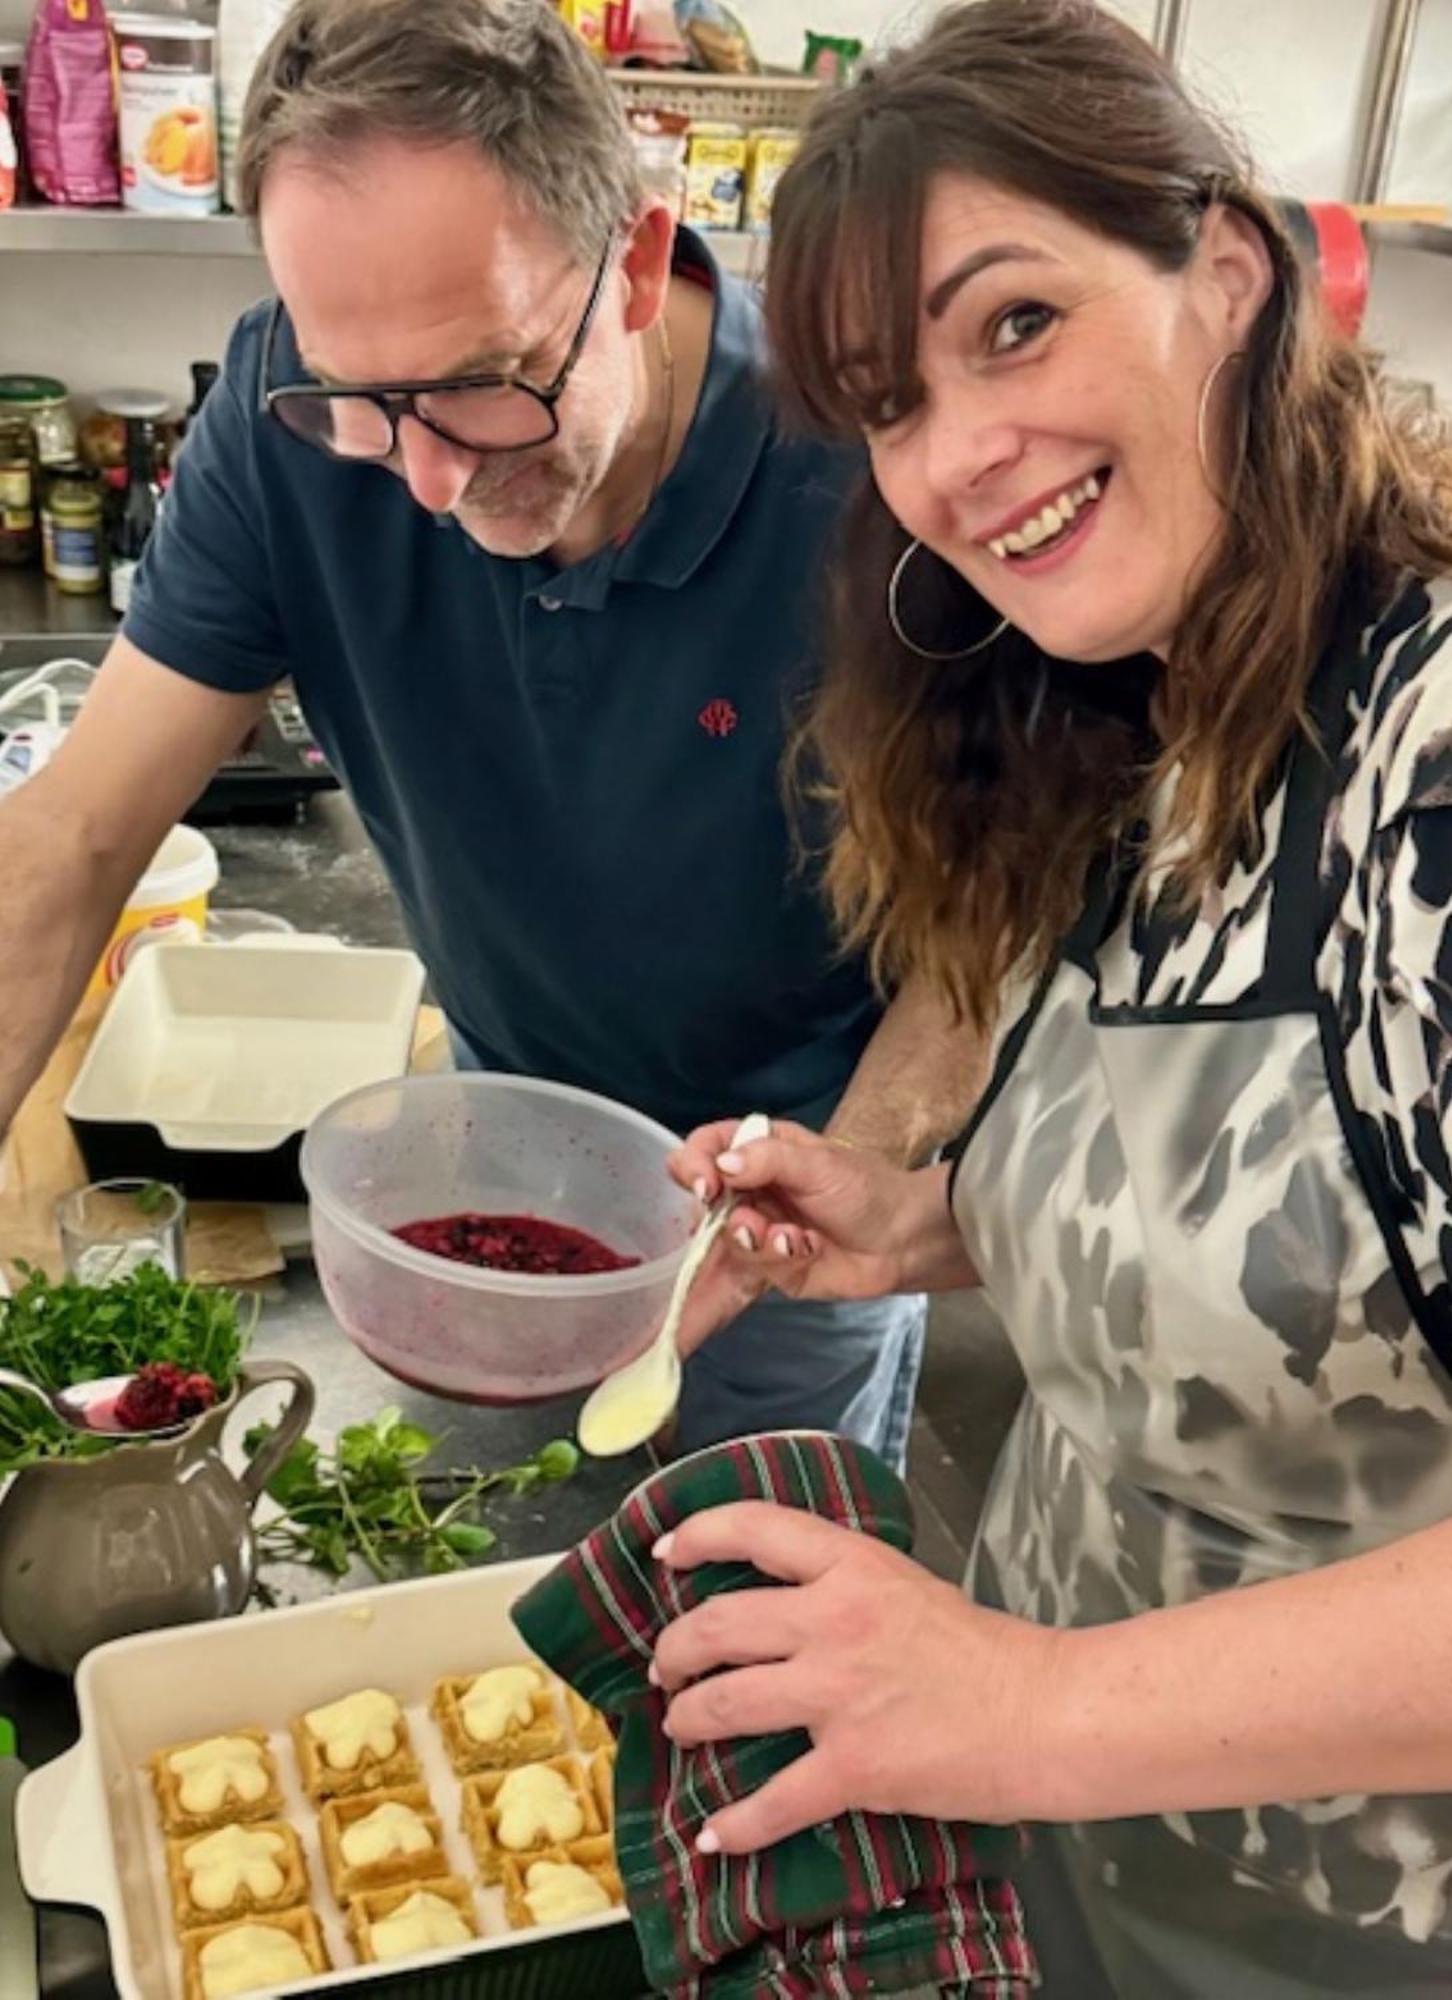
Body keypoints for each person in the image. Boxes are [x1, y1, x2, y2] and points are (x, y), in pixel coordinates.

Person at [651, 3, 1452, 1993]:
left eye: (1012, 324)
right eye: (886, 402)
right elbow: (1324, 1246)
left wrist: (1027, 1707)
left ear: (1224, 273)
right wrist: (938, 1218)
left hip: (1350, 1932)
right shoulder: (1142, 711)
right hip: (1059, 1844)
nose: (955, 458)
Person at [0, 0, 990, 1466]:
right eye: (363, 399)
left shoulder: (872, 485)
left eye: (485, 385)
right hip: (496, 1160)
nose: (425, 482)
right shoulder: (288, 430)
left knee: (758, 1628)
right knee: (482, 1596)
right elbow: (67, 841)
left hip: (799, 1194)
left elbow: (985, 926)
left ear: (640, 264)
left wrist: (843, 1171)